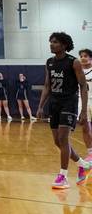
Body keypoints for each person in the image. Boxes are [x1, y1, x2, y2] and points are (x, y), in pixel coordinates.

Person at [36, 32, 92, 188]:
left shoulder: (73, 62)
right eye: (50, 42)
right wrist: (40, 106)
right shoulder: (49, 62)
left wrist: (82, 111)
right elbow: (47, 85)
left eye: (55, 42)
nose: (51, 44)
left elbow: (83, 86)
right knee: (57, 141)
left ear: (64, 45)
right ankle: (83, 165)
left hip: (69, 103)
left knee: (63, 138)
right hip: (54, 103)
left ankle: (63, 176)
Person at [78, 49, 92, 167]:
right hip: (82, 102)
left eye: (86, 56)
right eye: (81, 56)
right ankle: (90, 153)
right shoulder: (77, 71)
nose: (83, 58)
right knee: (85, 127)